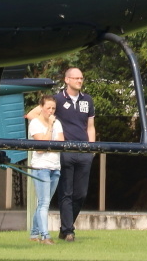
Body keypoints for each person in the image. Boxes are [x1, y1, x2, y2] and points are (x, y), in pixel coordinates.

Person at [53, 66, 96, 242]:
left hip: (84, 152)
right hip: (66, 152)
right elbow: (40, 114)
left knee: (81, 194)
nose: (79, 81)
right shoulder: (57, 99)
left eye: (81, 78)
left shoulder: (88, 100)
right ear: (67, 80)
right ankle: (68, 230)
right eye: (76, 78)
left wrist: (92, 149)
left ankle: (66, 227)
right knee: (66, 192)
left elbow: (91, 126)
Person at [26, 93, 63, 244]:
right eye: (48, 108)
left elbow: (60, 144)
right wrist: (49, 127)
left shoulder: (58, 123)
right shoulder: (35, 123)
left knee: (43, 203)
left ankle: (34, 234)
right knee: (44, 203)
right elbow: (41, 148)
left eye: (53, 108)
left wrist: (49, 144)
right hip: (41, 168)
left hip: (55, 167)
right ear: (41, 108)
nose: (51, 111)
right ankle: (45, 236)